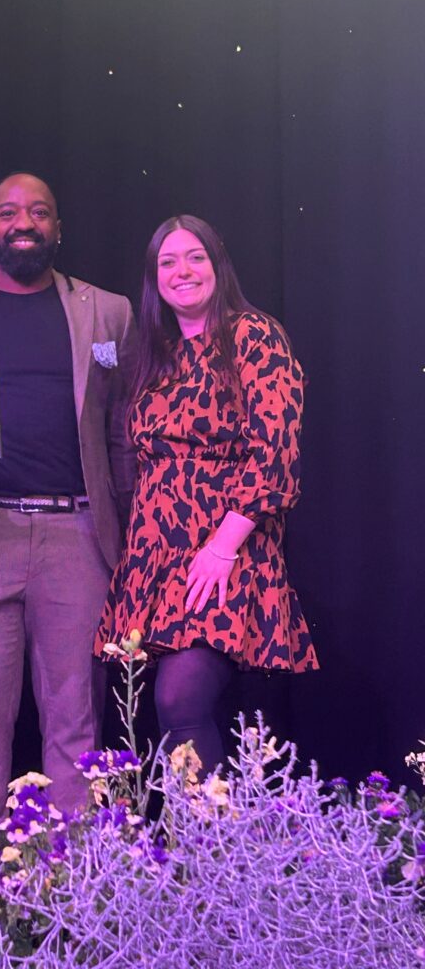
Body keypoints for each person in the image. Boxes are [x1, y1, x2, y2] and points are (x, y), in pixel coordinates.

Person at [0, 173, 137, 826]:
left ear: (58, 229)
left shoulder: (109, 313)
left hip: (77, 535)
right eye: (8, 212)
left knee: (77, 721)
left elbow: (121, 429)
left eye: (40, 211)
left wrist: (122, 538)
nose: (24, 222)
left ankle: (74, 894)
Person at [95, 215, 318, 773]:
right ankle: (199, 849)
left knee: (181, 700)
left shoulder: (252, 335)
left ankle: (210, 853)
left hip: (224, 551)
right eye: (167, 262)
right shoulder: (155, 354)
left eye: (195, 256)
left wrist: (221, 548)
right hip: (156, 559)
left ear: (218, 265)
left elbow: (276, 456)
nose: (182, 271)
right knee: (165, 714)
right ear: (154, 279)